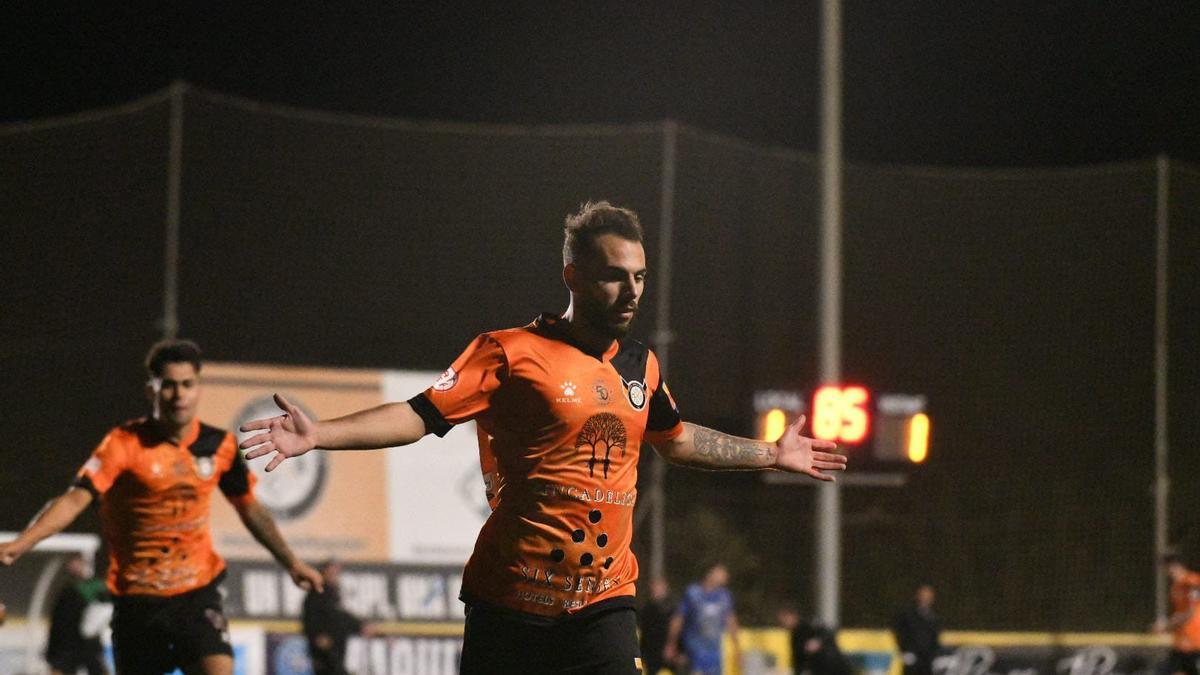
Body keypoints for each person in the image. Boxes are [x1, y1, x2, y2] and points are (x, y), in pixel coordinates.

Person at [238, 201, 847, 675]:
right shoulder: (510, 352)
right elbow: (420, 415)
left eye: (640, 276)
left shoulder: (642, 365)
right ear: (573, 275)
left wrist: (771, 452)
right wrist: (319, 434)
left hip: (604, 600)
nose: (633, 290)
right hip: (509, 606)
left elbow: (677, 439)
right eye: (615, 276)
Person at [0, 339, 323, 675]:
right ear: (151, 389)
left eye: (187, 384)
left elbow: (251, 509)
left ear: (198, 388)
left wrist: (292, 562)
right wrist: (21, 544)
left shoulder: (221, 445)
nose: (179, 394)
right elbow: (75, 498)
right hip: (137, 601)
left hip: (196, 594)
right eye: (168, 385)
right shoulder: (123, 444)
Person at [664, 563, 741, 675]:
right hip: (693, 651)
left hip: (714, 654)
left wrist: (738, 649)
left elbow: (731, 621)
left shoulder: (724, 596)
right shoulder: (693, 593)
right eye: (721, 572)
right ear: (710, 573)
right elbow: (678, 619)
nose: (725, 576)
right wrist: (671, 643)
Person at [45, 552, 110, 675]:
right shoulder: (65, 590)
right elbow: (57, 622)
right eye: (72, 563)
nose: (74, 566)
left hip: (88, 642)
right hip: (65, 644)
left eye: (77, 562)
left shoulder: (96, 588)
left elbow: (105, 609)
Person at [303, 559, 370, 675]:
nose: (334, 576)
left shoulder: (333, 594)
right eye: (331, 572)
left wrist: (360, 626)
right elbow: (309, 619)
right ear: (323, 573)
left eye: (336, 573)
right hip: (324, 649)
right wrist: (317, 636)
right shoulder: (316, 593)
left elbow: (341, 617)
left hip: (336, 648)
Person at [1154, 554, 1200, 675]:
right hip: (1181, 645)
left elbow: (1190, 613)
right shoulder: (1175, 588)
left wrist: (1166, 626)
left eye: (1167, 569)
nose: (1168, 573)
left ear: (1176, 566)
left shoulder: (1193, 582)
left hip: (1196, 644)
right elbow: (1179, 614)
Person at [778, 606, 851, 675]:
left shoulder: (809, 624)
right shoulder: (794, 636)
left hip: (833, 664)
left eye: (785, 619)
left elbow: (828, 633)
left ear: (793, 616)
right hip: (818, 669)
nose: (784, 623)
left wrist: (818, 641)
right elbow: (797, 659)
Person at [892, 584, 942, 675]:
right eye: (923, 595)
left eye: (928, 596)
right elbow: (899, 632)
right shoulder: (907, 614)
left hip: (927, 659)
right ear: (918, 596)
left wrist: (935, 655)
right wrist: (904, 651)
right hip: (912, 657)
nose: (926, 598)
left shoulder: (933, 617)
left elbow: (935, 637)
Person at [639, 578, 676, 675]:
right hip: (651, 653)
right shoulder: (647, 609)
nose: (656, 591)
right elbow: (644, 632)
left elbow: (677, 628)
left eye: (658, 587)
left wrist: (673, 647)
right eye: (654, 588)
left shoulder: (672, 608)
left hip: (669, 651)